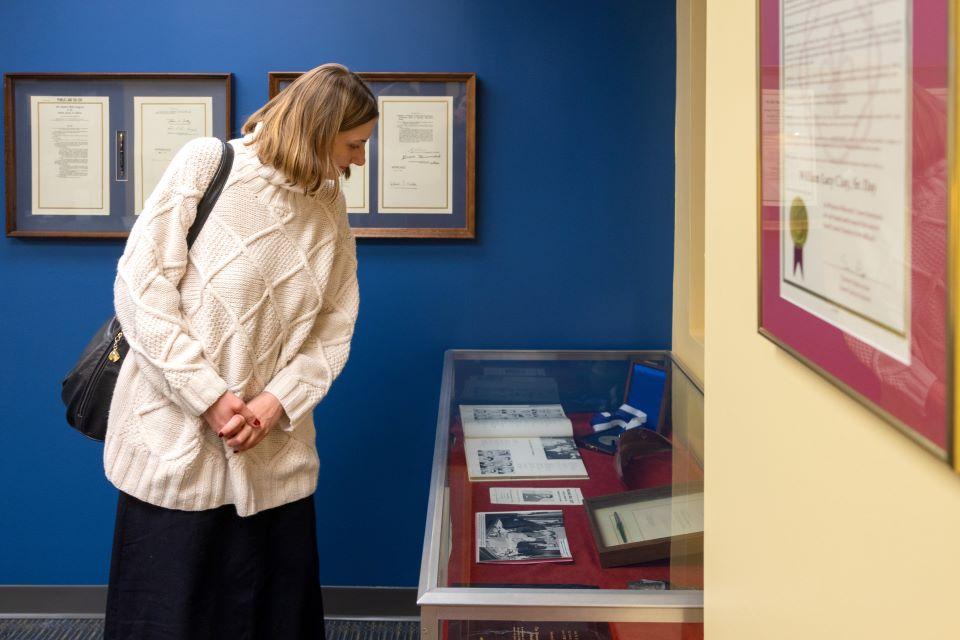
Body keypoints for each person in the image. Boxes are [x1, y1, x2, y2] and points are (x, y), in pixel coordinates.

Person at [102, 63, 377, 639]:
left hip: (274, 455)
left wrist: (278, 402)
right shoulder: (208, 163)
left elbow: (336, 323)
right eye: (353, 144)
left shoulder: (329, 206)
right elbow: (140, 289)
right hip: (177, 448)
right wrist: (209, 398)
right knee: (170, 620)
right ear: (319, 127)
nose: (358, 160)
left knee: (273, 619)